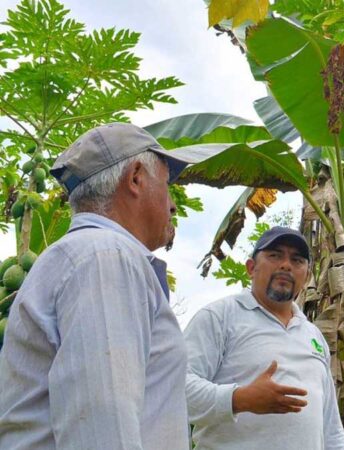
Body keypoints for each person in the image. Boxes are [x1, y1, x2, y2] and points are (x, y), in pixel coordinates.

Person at [0, 123, 208, 449]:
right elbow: (101, 425)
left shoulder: (86, 255)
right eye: (167, 186)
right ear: (136, 177)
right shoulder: (105, 257)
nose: (172, 205)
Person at [183, 226, 344, 450]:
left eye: (297, 260)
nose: (286, 265)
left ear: (307, 276)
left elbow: (330, 425)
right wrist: (239, 399)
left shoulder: (314, 335)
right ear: (251, 268)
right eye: (275, 255)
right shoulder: (219, 317)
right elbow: (176, 389)